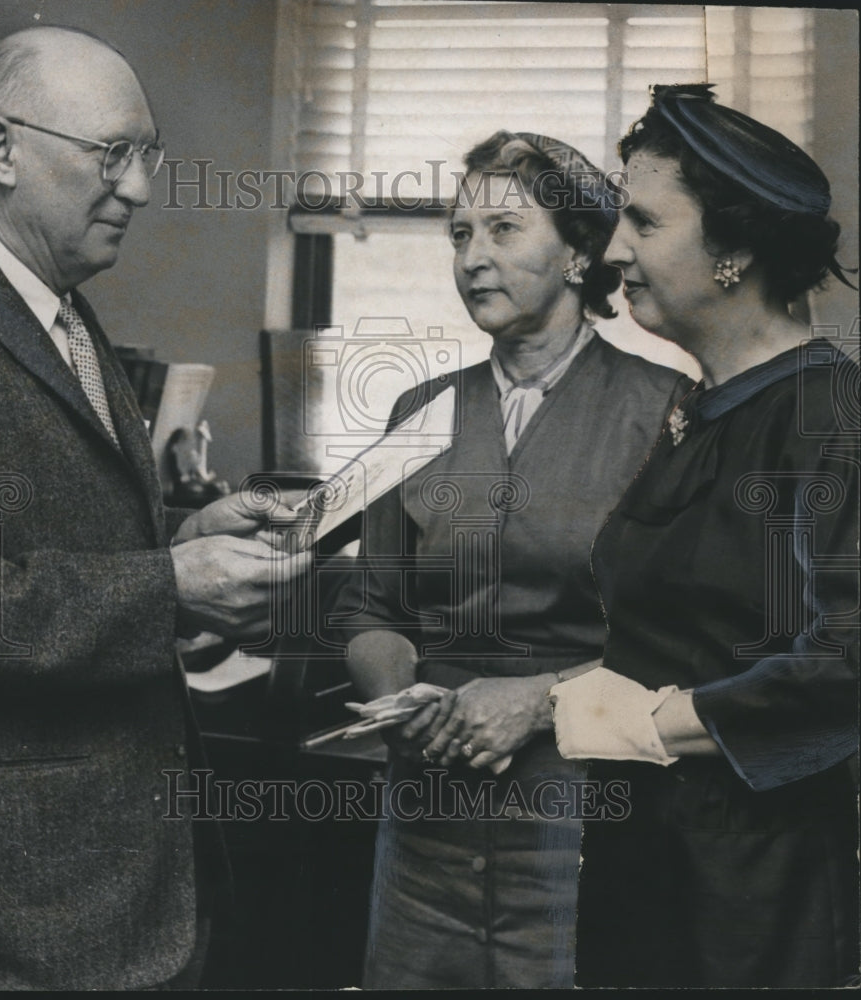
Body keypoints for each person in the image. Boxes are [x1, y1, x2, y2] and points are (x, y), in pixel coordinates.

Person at [0, 25, 308, 991]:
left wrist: (185, 540)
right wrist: (171, 587)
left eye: (147, 154)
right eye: (113, 153)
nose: (143, 186)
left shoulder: (65, 312)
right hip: (13, 908)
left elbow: (53, 545)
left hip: (126, 882)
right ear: (2, 149)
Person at [332, 130, 692, 988]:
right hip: (424, 816)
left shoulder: (665, 414)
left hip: (582, 818)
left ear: (577, 254)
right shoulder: (419, 411)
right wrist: (397, 703)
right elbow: (370, 608)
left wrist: (533, 704)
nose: (472, 258)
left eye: (502, 230)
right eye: (460, 234)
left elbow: (688, 649)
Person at [547, 84, 860, 988]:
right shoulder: (699, 409)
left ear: (734, 248)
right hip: (636, 857)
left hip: (753, 893)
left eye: (643, 223)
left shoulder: (829, 416)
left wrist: (652, 724)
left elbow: (851, 657)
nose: (612, 252)